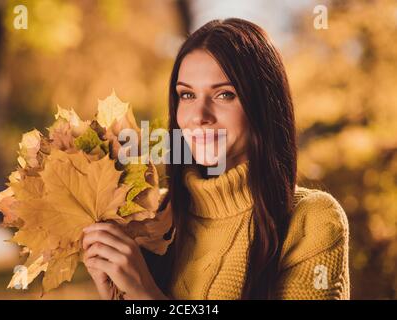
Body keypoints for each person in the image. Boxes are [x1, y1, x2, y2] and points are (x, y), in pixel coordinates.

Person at [82, 18, 350, 300]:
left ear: (264, 104)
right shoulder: (152, 216)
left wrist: (144, 293)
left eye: (224, 94)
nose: (199, 116)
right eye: (187, 95)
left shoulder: (312, 220)